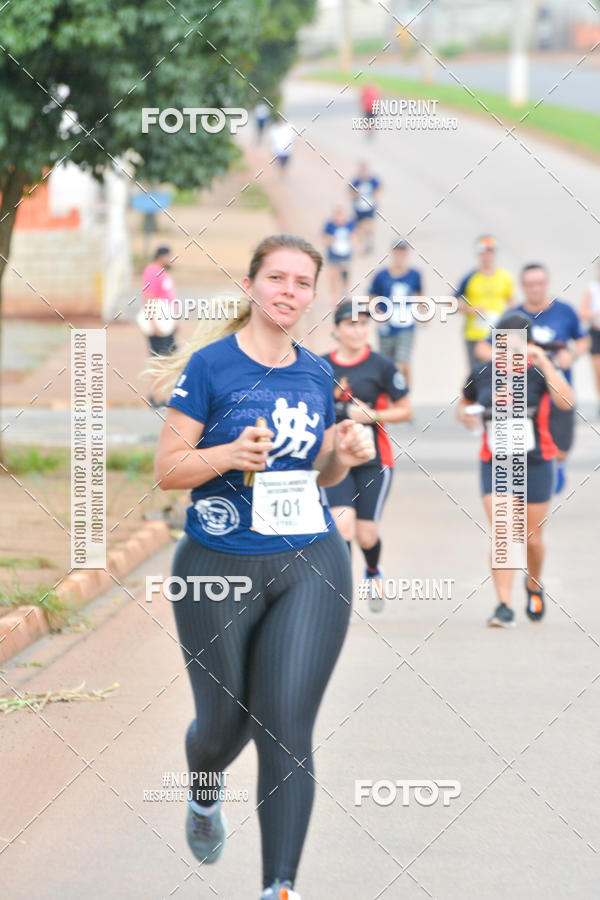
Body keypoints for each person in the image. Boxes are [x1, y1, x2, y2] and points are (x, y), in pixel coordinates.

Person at [151, 234, 374, 900]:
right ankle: (203, 786)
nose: (289, 292)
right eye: (276, 278)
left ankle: (280, 887)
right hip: (216, 565)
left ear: (312, 295)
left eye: (302, 283)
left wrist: (344, 450)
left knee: (285, 726)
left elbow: (319, 474)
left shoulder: (313, 372)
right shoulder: (212, 368)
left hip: (310, 561)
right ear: (251, 286)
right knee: (223, 728)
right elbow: (168, 470)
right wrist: (228, 455)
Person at [457, 312, 574, 627]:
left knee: (532, 539)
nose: (508, 354)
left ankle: (534, 584)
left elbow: (566, 402)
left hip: (536, 462)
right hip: (494, 462)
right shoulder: (481, 373)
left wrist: (546, 363)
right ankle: (504, 605)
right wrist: (467, 415)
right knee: (503, 533)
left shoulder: (539, 373)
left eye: (516, 346)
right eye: (503, 345)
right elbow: (463, 403)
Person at [321, 298, 411, 611]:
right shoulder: (320, 366)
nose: (357, 330)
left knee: (366, 533)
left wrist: (372, 415)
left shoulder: (382, 366)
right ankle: (341, 595)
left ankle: (373, 571)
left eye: (362, 324)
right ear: (336, 329)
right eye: (350, 324)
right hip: (336, 459)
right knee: (341, 524)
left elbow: (405, 410)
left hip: (374, 459)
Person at [477, 264, 589, 493]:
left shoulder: (565, 311)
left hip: (557, 389)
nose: (535, 289)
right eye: (529, 284)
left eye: (539, 283)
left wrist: (573, 354)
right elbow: (483, 348)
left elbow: (583, 339)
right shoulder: (512, 317)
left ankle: (556, 467)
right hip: (525, 393)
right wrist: (507, 356)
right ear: (522, 286)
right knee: (530, 445)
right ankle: (529, 485)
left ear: (546, 283)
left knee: (561, 446)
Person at [368, 240, 424, 387]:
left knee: (403, 361)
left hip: (406, 324)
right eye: (397, 251)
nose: (400, 255)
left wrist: (422, 313)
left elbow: (420, 295)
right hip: (387, 325)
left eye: (403, 251)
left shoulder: (414, 274)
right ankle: (388, 397)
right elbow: (370, 297)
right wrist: (377, 313)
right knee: (387, 363)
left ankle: (405, 395)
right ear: (392, 253)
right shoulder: (382, 275)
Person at [455, 235, 514, 370]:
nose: (487, 256)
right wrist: (469, 310)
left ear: (494, 254)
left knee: (500, 374)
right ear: (478, 254)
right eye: (483, 252)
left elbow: (512, 304)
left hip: (499, 335)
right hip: (475, 335)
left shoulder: (505, 277)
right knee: (477, 375)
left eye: (490, 251)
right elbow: (451, 303)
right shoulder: (470, 277)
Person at [140, 245, 179, 407]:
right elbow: (148, 297)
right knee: (159, 359)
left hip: (166, 322)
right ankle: (156, 396)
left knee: (167, 358)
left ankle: (160, 394)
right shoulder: (152, 271)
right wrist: (153, 321)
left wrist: (175, 320)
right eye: (168, 257)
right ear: (161, 257)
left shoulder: (164, 273)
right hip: (158, 323)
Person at [323, 204, 357, 306]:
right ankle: (334, 297)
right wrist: (330, 239)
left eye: (341, 213)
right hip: (333, 255)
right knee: (333, 277)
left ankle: (345, 293)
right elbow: (323, 238)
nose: (339, 216)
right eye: (337, 213)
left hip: (345, 255)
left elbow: (355, 237)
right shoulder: (330, 225)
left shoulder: (350, 224)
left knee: (345, 275)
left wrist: (351, 239)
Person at [579, 262, 600, 417]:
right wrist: (595, 313)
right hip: (596, 332)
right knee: (598, 370)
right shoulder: (592, 288)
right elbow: (583, 312)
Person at [349, 161, 381, 254]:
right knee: (358, 229)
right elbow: (350, 194)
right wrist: (356, 193)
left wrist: (375, 198)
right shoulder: (356, 181)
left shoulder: (373, 180)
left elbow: (379, 189)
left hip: (369, 207)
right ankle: (362, 244)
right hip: (359, 208)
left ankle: (369, 243)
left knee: (368, 225)